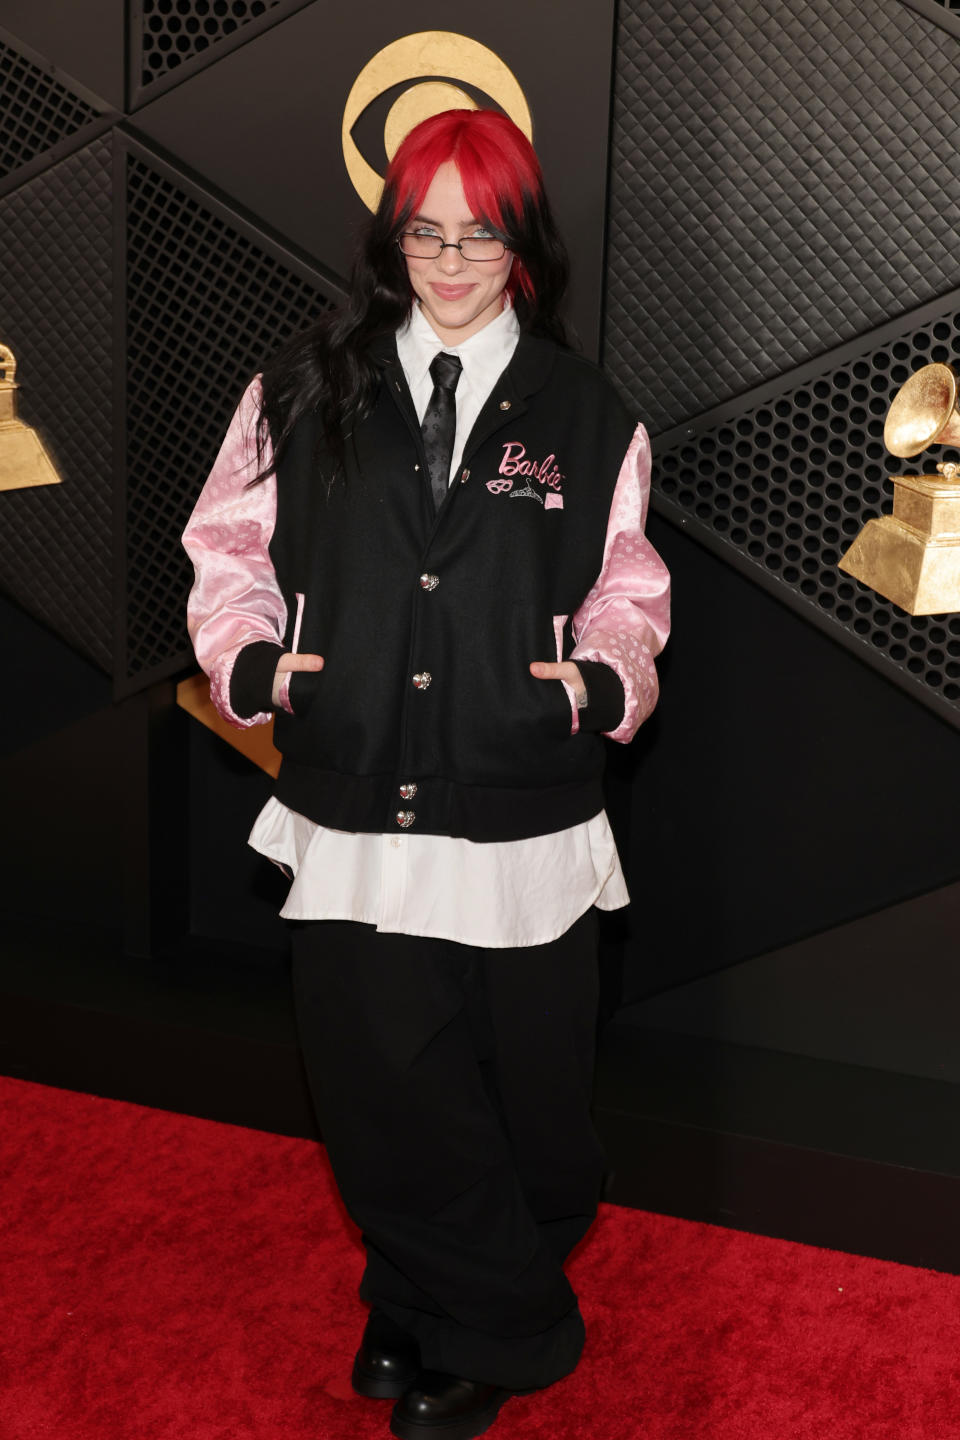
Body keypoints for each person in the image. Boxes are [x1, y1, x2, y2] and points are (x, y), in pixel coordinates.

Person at [183, 108, 670, 1440]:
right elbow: (226, 550)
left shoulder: (589, 412)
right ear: (391, 238)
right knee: (382, 1082)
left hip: (523, 808)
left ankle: (416, 1289)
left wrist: (607, 676)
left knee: (528, 1100)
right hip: (357, 798)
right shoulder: (301, 387)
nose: (451, 263)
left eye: (480, 234)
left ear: (524, 243)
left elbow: (631, 582)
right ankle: (499, 1328)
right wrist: (251, 657)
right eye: (425, 232)